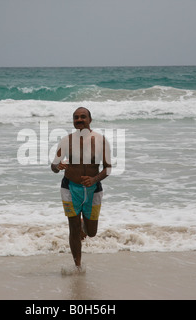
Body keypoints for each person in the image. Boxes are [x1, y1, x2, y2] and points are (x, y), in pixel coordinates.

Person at [51, 107, 111, 270]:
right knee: (73, 227)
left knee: (91, 232)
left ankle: (85, 224)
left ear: (90, 120)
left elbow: (108, 168)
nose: (79, 120)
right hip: (70, 188)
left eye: (83, 117)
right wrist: (58, 166)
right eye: (76, 117)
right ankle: (77, 266)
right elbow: (53, 166)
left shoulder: (100, 140)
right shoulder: (66, 140)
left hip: (93, 190)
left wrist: (94, 179)